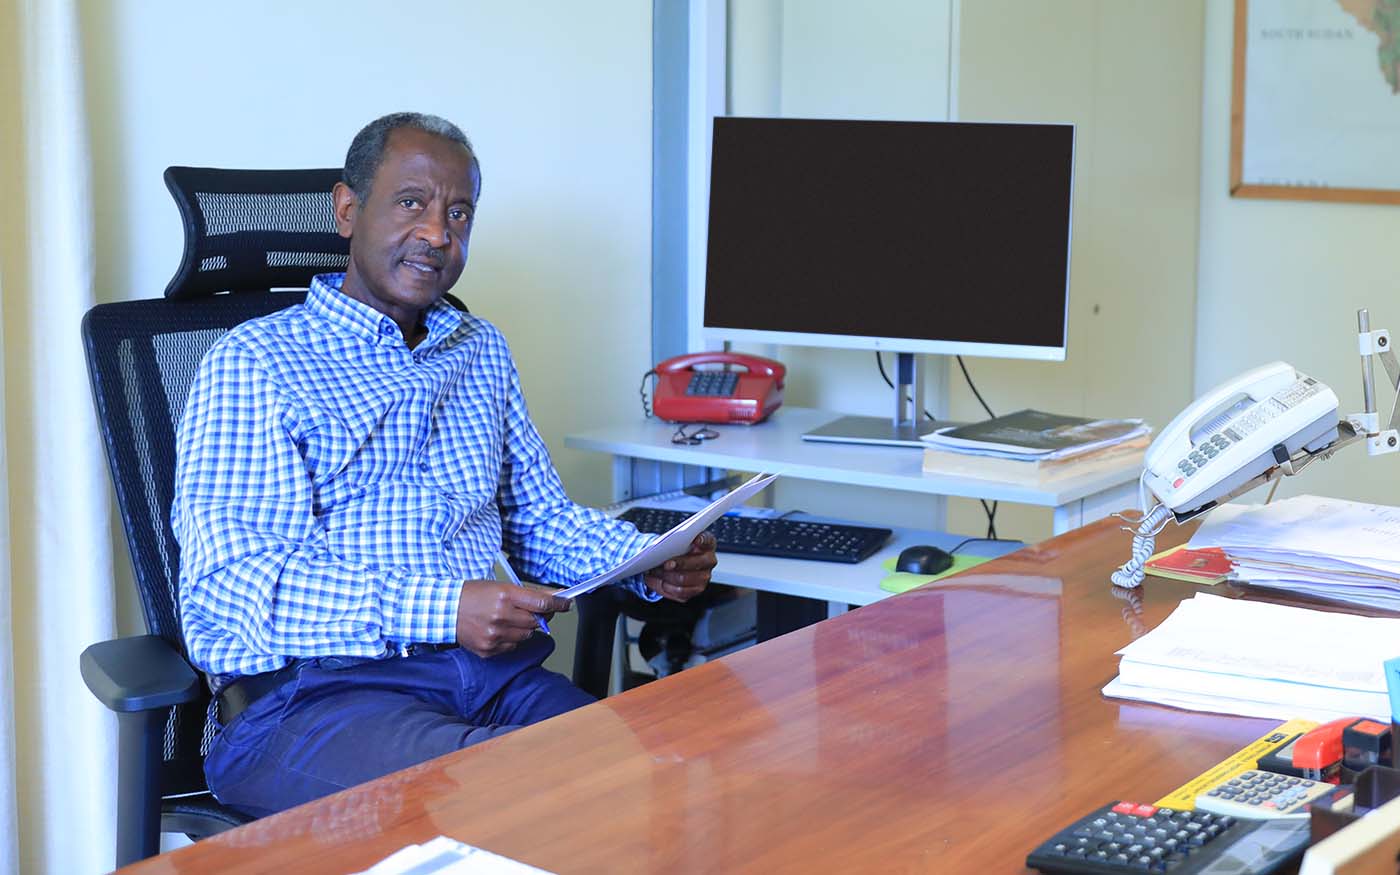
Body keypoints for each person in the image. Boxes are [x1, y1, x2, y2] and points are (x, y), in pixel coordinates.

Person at [172, 111, 718, 817]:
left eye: (458, 212)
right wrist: (442, 606)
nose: (437, 233)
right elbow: (232, 589)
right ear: (347, 209)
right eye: (411, 204)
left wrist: (648, 559)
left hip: (490, 676)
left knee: (654, 781)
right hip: (314, 698)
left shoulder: (479, 348)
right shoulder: (256, 364)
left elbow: (536, 520)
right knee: (509, 803)